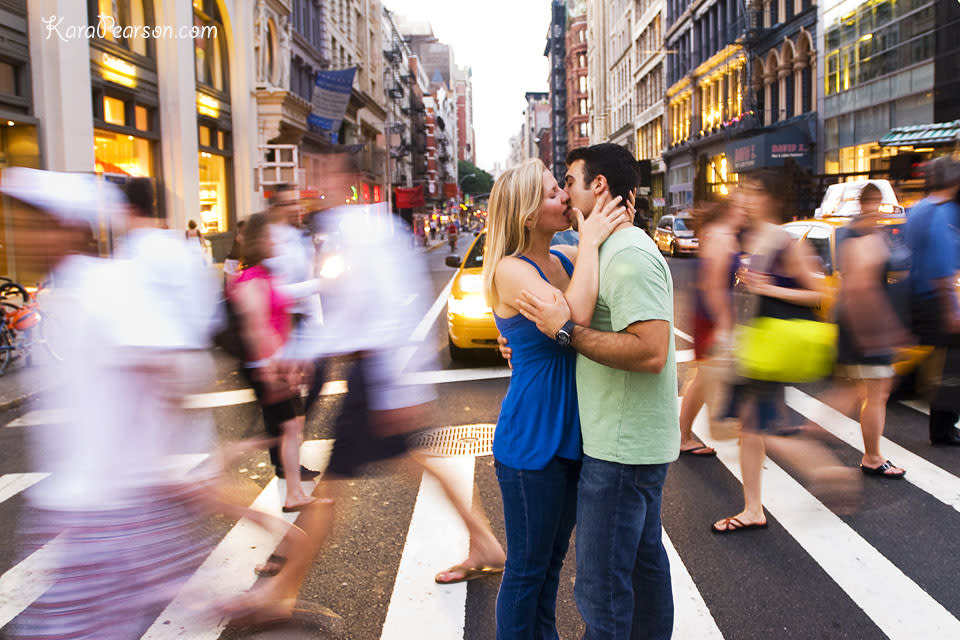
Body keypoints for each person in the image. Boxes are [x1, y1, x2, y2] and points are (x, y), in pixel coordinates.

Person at [225, 149, 505, 624]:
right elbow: (339, 307)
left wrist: (395, 390)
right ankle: (485, 542)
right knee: (417, 465)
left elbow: (392, 308)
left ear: (349, 179)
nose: (316, 180)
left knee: (335, 487)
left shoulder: (365, 232)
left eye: (324, 171)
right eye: (314, 172)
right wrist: (300, 352)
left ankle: (280, 593)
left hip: (376, 374)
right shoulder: (340, 232)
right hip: (369, 374)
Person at [516, 143, 679, 639]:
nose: (565, 192)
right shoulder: (608, 249)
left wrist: (566, 333)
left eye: (570, 180)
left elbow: (650, 352)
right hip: (627, 446)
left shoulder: (626, 256)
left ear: (599, 186)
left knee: (601, 588)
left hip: (621, 450)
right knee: (641, 571)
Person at [482, 158, 628, 638]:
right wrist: (589, 240)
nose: (565, 197)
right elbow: (576, 316)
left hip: (575, 433)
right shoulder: (510, 271)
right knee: (527, 570)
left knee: (551, 566)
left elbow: (592, 313)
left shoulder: (565, 258)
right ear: (527, 214)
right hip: (532, 440)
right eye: (552, 193)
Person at [710, 171, 859, 534]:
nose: (745, 198)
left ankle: (828, 471)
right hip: (753, 349)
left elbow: (820, 294)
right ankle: (753, 508)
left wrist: (771, 289)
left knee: (760, 430)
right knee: (751, 430)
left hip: (767, 352)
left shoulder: (784, 241)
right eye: (743, 191)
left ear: (772, 198)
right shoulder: (752, 238)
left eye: (754, 191)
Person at [801, 183, 909, 477]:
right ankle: (872, 457)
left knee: (853, 390)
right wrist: (877, 333)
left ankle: (809, 432)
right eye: (876, 203)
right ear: (869, 203)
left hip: (855, 326)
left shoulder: (863, 233)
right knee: (876, 394)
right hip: (866, 327)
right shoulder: (863, 236)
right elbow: (861, 289)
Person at [229, 212, 318, 513]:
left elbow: (284, 315)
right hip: (264, 365)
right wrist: (276, 364)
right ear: (257, 241)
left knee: (290, 427)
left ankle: (294, 492)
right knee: (284, 428)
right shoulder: (251, 278)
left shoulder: (266, 274)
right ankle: (220, 464)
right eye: (268, 237)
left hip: (275, 361)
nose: (274, 242)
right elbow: (257, 328)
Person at [676, 199, 747, 457]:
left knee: (703, 377)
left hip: (710, 315)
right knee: (706, 376)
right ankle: (684, 436)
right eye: (740, 207)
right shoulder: (719, 235)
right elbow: (713, 286)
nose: (744, 210)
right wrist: (725, 327)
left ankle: (683, 435)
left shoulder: (723, 234)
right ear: (729, 210)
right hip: (711, 317)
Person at [905, 155, 960, 445]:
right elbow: (942, 271)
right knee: (951, 366)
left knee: (931, 360)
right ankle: (943, 428)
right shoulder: (943, 212)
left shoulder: (918, 208)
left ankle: (941, 424)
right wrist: (951, 310)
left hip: (915, 296)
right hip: (934, 299)